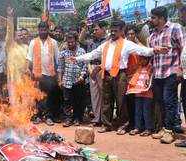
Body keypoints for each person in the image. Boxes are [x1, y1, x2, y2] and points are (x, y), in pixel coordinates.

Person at [70, 19, 169, 135]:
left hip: (120, 75)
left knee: (121, 101)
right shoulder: (105, 45)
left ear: (122, 31)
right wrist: (77, 58)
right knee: (106, 101)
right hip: (106, 75)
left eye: (115, 31)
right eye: (111, 31)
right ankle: (106, 124)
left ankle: (123, 125)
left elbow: (142, 50)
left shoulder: (127, 44)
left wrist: (155, 50)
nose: (112, 33)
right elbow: (92, 54)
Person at [149, 6, 185, 144]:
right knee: (161, 102)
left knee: (169, 101)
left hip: (171, 72)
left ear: (162, 18)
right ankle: (165, 128)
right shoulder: (152, 35)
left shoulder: (175, 28)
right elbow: (152, 55)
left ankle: (170, 131)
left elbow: (184, 47)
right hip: (157, 73)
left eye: (153, 17)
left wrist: (181, 68)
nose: (151, 20)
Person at [27, 21, 59, 126]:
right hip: (37, 74)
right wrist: (30, 72)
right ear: (38, 30)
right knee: (37, 97)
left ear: (48, 30)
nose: (43, 31)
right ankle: (38, 116)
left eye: (45, 29)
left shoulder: (54, 42)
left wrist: (58, 75)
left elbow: (57, 59)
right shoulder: (33, 42)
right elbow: (30, 60)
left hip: (50, 74)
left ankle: (48, 116)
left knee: (49, 97)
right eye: (41, 29)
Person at [79, 21, 107, 125]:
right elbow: (80, 40)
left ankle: (105, 119)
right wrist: (85, 27)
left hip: (102, 68)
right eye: (94, 29)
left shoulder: (108, 41)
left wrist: (99, 68)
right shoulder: (91, 42)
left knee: (104, 96)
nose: (94, 31)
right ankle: (96, 118)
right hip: (91, 69)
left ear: (103, 29)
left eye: (96, 29)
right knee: (94, 95)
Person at [58, 32, 87, 127]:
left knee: (78, 101)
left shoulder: (82, 52)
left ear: (76, 41)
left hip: (78, 81)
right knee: (67, 101)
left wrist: (82, 77)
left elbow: (85, 66)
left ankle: (77, 118)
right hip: (67, 81)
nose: (70, 44)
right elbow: (60, 68)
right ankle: (68, 119)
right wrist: (60, 80)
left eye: (72, 42)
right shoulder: (63, 53)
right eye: (68, 42)